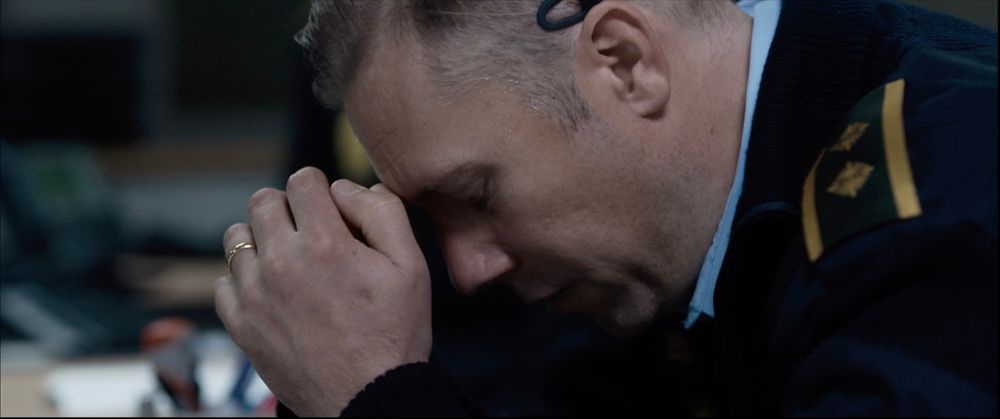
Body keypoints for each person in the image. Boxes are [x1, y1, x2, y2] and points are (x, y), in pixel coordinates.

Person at [214, 0, 998, 416]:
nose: (469, 268)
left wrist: (378, 395)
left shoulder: (941, 201)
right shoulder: (665, 258)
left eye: (477, 195)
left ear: (626, 62)